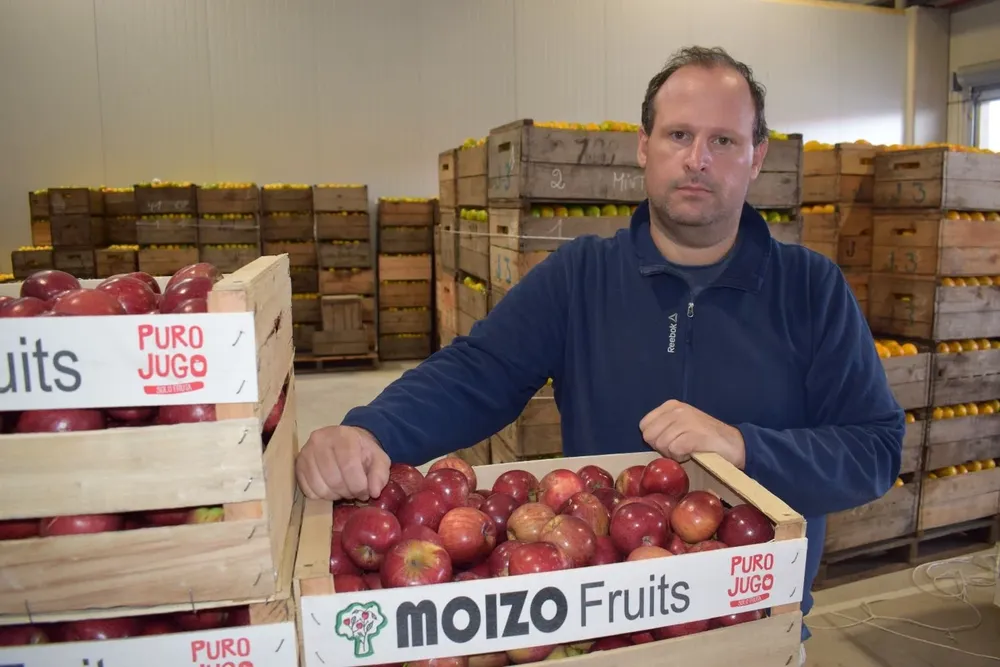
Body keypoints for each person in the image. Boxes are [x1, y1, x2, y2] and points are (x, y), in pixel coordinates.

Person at [295, 45, 905, 663]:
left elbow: (874, 450)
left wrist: (745, 449)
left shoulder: (812, 288)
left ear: (757, 158)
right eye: (679, 134)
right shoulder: (579, 277)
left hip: (754, 634)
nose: (698, 159)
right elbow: (479, 371)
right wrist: (370, 431)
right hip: (608, 638)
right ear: (644, 146)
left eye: (724, 141)